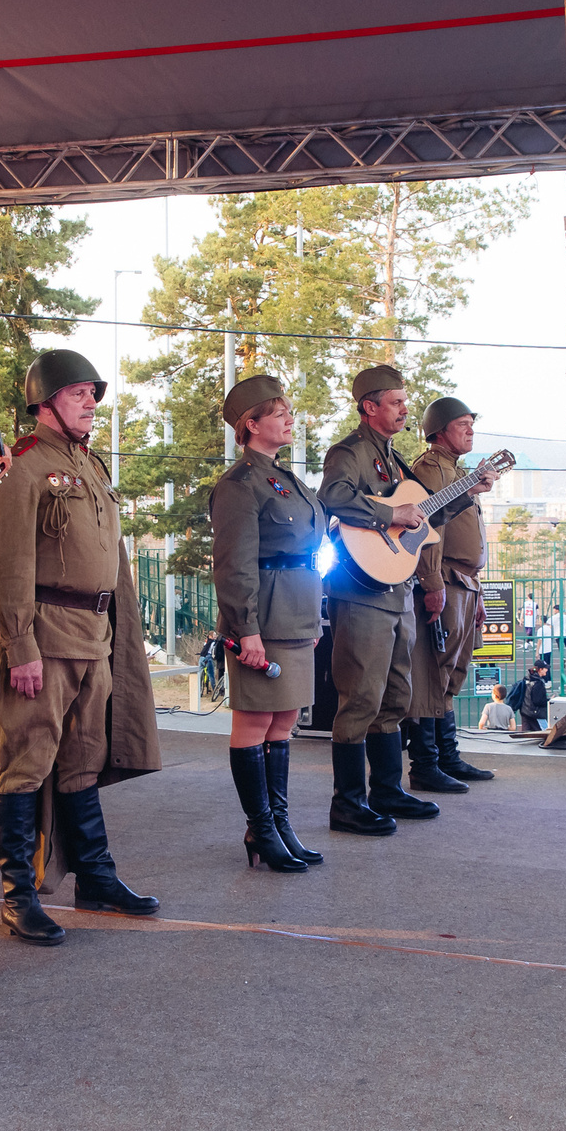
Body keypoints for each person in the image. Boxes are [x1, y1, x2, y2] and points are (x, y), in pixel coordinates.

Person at [0, 350, 163, 941]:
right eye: (80, 392)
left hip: (94, 635)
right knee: (27, 761)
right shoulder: (22, 465)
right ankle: (17, 894)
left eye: (94, 394)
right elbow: (4, 562)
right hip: (45, 634)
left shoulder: (89, 464)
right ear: (46, 399)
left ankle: (96, 877)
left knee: (83, 758)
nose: (91, 403)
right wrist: (19, 643)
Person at [208, 374, 326, 873]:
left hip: (297, 611)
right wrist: (244, 629)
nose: (289, 419)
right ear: (250, 425)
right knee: (254, 721)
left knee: (283, 721)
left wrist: (316, 614)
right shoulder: (239, 485)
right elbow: (234, 565)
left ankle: (278, 823)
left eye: (288, 412)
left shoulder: (287, 478)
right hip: (264, 615)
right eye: (278, 413)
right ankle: (260, 826)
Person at [316, 364, 438, 833]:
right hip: (361, 590)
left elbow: (418, 514)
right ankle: (348, 803)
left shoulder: (392, 456)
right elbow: (336, 497)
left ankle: (386, 790)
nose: (406, 409)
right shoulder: (348, 452)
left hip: (395, 589)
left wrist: (467, 494)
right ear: (370, 407)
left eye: (406, 402)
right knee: (361, 695)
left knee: (395, 693)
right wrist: (390, 510)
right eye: (396, 402)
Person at [408, 395, 499, 793]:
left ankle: (447, 756)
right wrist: (432, 583)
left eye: (471, 424)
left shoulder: (457, 472)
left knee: (452, 673)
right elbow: (428, 529)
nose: (470, 431)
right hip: (444, 578)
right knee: (433, 672)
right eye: (462, 424)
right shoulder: (430, 468)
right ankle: (426, 763)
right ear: (439, 430)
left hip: (465, 581)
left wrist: (477, 593)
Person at [515, 662, 551, 733]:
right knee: (543, 733)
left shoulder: (527, 679)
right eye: (545, 668)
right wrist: (548, 700)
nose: (547, 670)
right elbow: (537, 701)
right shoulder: (538, 683)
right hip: (535, 714)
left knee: (525, 734)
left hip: (525, 711)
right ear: (540, 669)